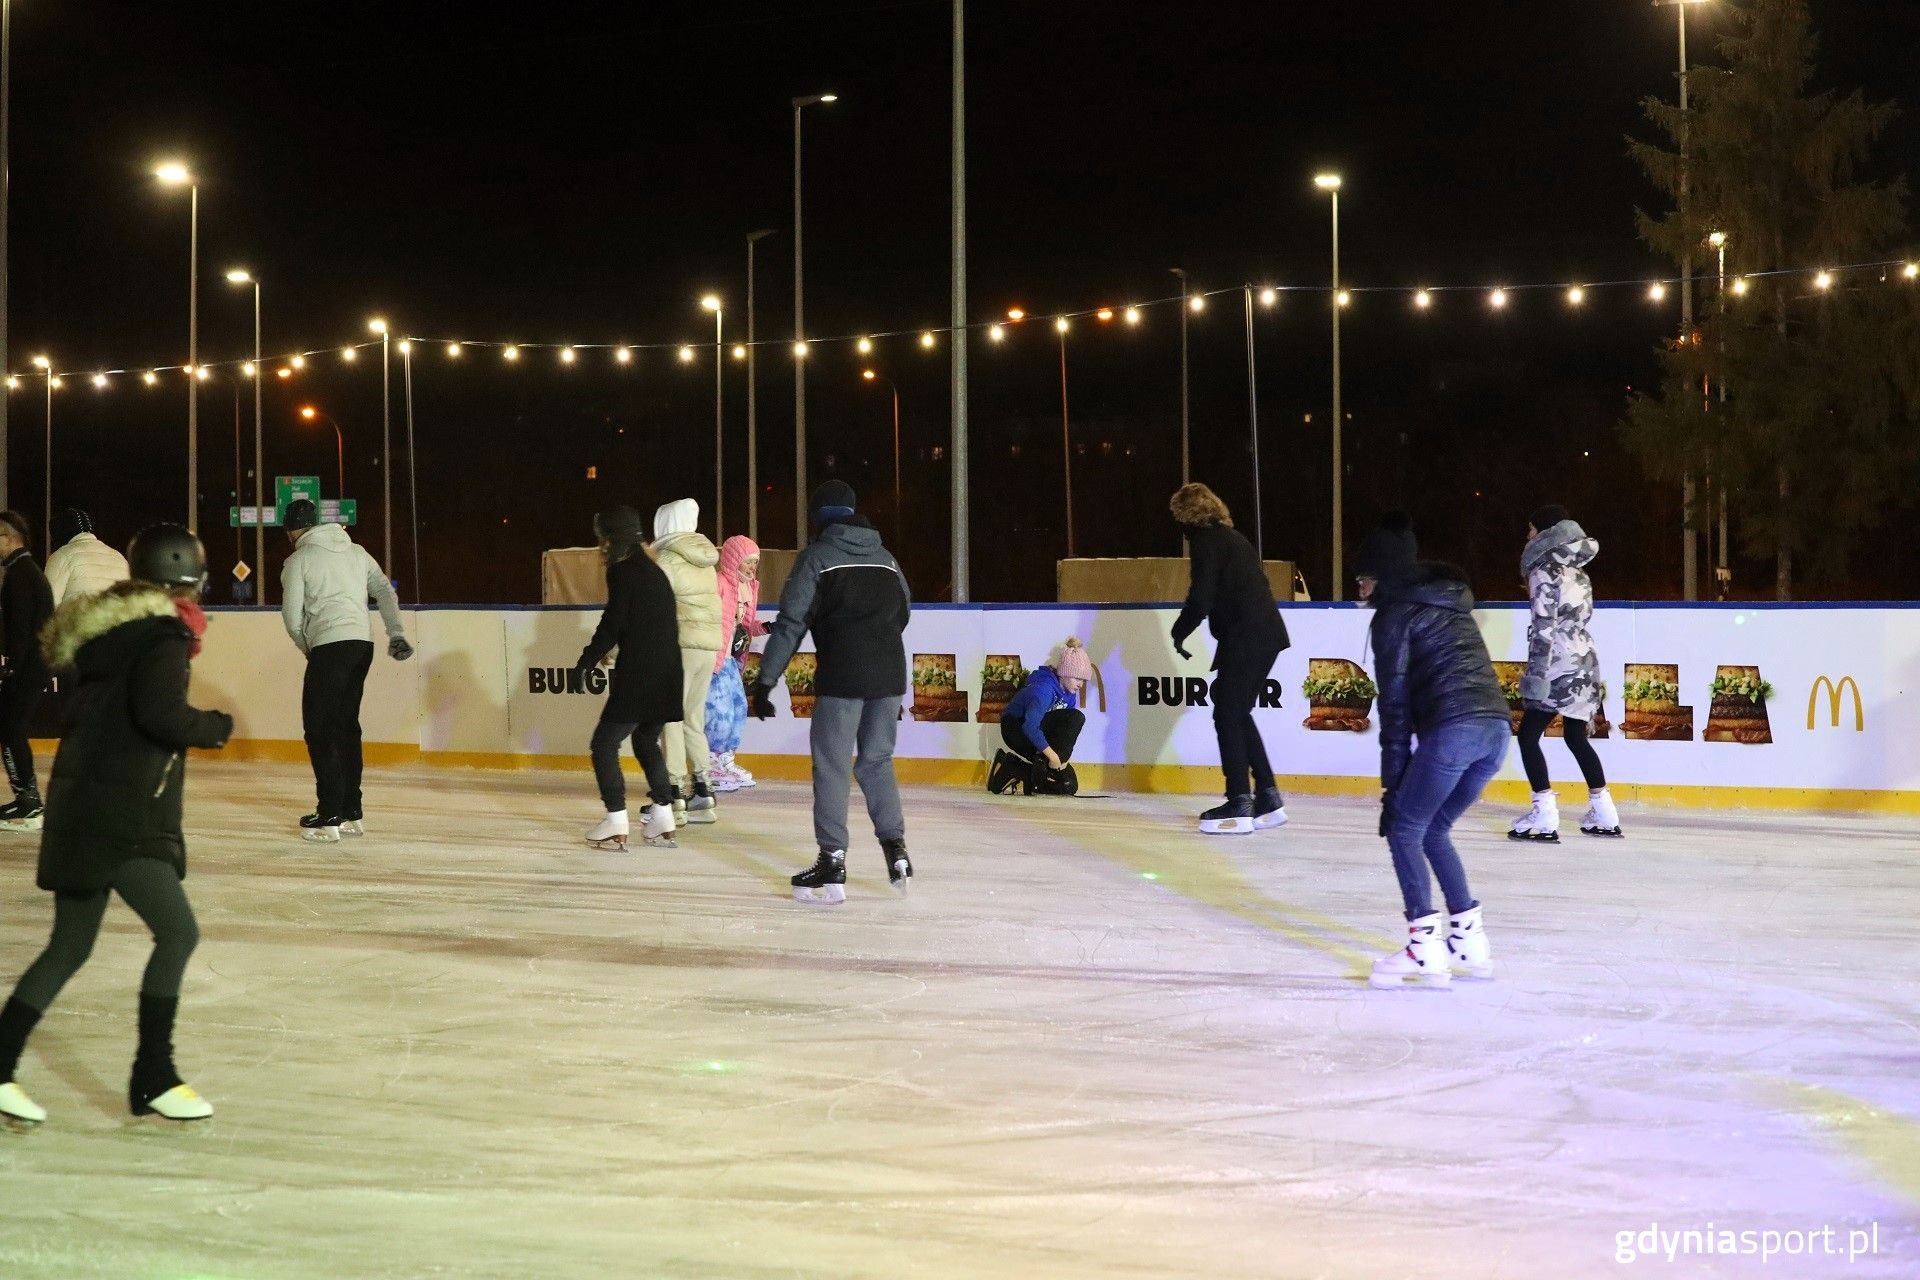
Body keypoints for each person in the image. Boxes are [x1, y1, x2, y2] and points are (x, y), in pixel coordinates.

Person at [0, 525, 233, 1126]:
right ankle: (154, 1074)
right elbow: (160, 715)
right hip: (119, 817)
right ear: (188, 582)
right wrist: (212, 726)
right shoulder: (161, 639)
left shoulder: (115, 633)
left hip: (86, 808)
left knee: (69, 947)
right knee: (177, 933)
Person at [1357, 514, 1509, 991]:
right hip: (1495, 731)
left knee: (1405, 829)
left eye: (1362, 578)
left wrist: (1391, 784)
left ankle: (1424, 947)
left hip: (1456, 731)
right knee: (1434, 829)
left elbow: (1395, 706)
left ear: (1381, 576)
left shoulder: (1394, 616)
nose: (1357, 588)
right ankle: (1469, 940)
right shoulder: (1450, 604)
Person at [749, 480, 913, 903]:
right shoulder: (887, 559)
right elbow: (904, 613)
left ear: (819, 517)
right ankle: (895, 850)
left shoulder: (817, 558)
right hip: (890, 676)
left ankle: (832, 860)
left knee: (833, 765)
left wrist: (766, 681)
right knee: (877, 760)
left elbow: (790, 623)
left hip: (842, 676)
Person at [279, 499, 412, 842]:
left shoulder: (299, 559)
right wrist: (395, 630)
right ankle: (352, 812)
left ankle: (329, 816)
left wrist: (309, 647)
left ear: (292, 530)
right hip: (361, 645)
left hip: (329, 644)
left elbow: (292, 616)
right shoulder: (356, 552)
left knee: (319, 729)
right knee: (346, 727)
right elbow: (384, 588)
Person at [1168, 483, 1290, 835]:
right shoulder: (1233, 538)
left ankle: (1239, 800)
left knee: (1226, 713)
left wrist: (1179, 631)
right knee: (1234, 708)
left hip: (1248, 636)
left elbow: (1201, 596)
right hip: (1263, 634)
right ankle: (1267, 795)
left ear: (1187, 516)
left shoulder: (1207, 542)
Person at [1510, 504, 1620, 841]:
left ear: (1544, 533)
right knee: (1575, 736)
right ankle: (1604, 811)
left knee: (1529, 735)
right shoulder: (1579, 573)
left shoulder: (1543, 571)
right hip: (1585, 659)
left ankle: (1544, 813)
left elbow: (1544, 628)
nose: (1527, 536)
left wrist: (1537, 678)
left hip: (1557, 663)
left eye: (1531, 530)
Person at [579, 508, 683, 851]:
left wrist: (588, 659)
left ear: (611, 539)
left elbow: (614, 621)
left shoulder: (624, 571)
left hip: (641, 673)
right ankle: (664, 814)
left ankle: (616, 819)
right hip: (669, 672)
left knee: (604, 744)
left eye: (602, 539)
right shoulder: (654, 571)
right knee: (645, 741)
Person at [651, 499, 723, 826]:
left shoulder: (666, 560)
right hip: (706, 647)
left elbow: (653, 610)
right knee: (693, 716)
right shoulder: (705, 562)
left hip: (679, 645)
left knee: (671, 717)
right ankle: (704, 791)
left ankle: (675, 792)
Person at [0, 511, 55, 830]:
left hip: (28, 668)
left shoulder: (21, 575)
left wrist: (11, 667)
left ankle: (29, 802)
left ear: (11, 539)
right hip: (33, 666)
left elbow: (20, 630)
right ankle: (27, 798)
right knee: (10, 728)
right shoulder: (24, 571)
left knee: (10, 728)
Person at [988, 637, 1092, 796]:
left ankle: (1012, 768)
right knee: (1076, 717)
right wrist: (1053, 757)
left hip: (1038, 730)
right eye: (1077, 678)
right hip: (1016, 729)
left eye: (1083, 680)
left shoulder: (1069, 692)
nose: (1081, 684)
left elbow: (1062, 735)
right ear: (1064, 673)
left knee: (1068, 786)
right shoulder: (1044, 689)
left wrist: (1058, 763)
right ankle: (1035, 775)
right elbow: (1030, 726)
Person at [705, 535, 768, 793]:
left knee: (739, 708)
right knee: (719, 712)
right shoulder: (719, 583)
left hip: (731, 660)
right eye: (748, 562)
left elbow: (744, 626)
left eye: (755, 562)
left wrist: (767, 627)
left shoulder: (749, 588)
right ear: (733, 560)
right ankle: (710, 763)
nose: (752, 568)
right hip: (714, 659)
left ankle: (726, 760)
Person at [44, 508, 130, 605]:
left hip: (78, 619)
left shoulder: (61, 556)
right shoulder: (119, 557)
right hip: (117, 619)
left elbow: (48, 603)